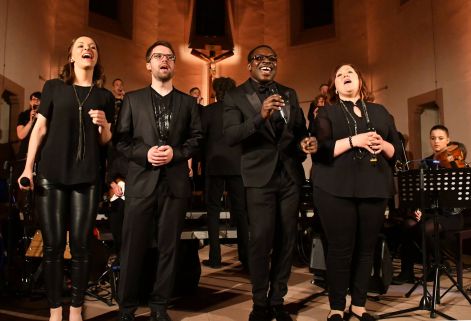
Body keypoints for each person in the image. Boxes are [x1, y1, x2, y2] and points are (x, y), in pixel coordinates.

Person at [18, 36, 114, 321]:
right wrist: (27, 169)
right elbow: (39, 130)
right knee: (53, 247)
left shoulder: (104, 96)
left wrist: (105, 125)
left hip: (87, 178)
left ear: (96, 58)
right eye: (82, 46)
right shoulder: (53, 88)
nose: (88, 49)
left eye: (93, 47)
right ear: (71, 56)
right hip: (51, 175)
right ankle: (55, 311)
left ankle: (75, 310)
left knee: (82, 247)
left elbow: (106, 140)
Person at [223, 44, 317, 321]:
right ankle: (259, 302)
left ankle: (278, 300)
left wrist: (306, 144)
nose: (267, 62)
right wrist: (259, 115)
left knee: (287, 239)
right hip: (258, 177)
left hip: (289, 175)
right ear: (249, 65)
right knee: (261, 240)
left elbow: (300, 131)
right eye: (260, 58)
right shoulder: (235, 95)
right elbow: (230, 135)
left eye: (272, 58)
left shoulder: (289, 93)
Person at [115, 40, 203, 321]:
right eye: (157, 56)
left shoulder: (188, 103)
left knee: (169, 248)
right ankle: (127, 308)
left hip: (175, 184)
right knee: (132, 247)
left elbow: (197, 139)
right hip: (141, 181)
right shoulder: (132, 99)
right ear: (148, 64)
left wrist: (176, 153)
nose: (164, 60)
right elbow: (122, 140)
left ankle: (159, 306)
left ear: (174, 64)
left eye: (169, 56)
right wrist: (146, 153)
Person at [310, 63, 402, 321]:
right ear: (335, 87)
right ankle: (337, 306)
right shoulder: (326, 112)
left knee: (366, 248)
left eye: (350, 72)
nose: (345, 76)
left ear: (360, 81)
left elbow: (398, 152)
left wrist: (382, 144)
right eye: (339, 74)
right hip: (335, 188)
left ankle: (359, 305)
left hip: (374, 187)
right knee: (340, 248)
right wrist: (355, 141)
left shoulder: (380, 111)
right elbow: (320, 149)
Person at [392, 125, 471, 285]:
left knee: (425, 228)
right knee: (407, 224)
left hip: (451, 215)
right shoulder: (425, 164)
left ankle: (436, 264)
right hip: (431, 212)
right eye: (433, 138)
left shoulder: (456, 163)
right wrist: (418, 209)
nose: (436, 141)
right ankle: (407, 272)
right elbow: (419, 193)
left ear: (448, 140)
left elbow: (460, 202)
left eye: (441, 138)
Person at [200, 77, 249, 269]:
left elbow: (201, 139)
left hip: (214, 164)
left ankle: (215, 257)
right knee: (241, 212)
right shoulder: (239, 111)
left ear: (215, 92)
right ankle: (245, 257)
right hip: (237, 165)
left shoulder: (208, 111)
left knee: (213, 211)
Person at [16, 91, 41, 162]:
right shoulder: (23, 115)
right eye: (34, 99)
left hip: (40, 154)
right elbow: (20, 135)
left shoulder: (45, 116)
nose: (36, 101)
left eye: (38, 99)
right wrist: (31, 121)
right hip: (25, 152)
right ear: (30, 102)